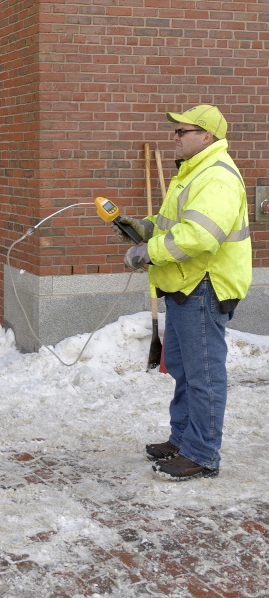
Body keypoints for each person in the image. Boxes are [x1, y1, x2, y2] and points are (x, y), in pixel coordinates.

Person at [121, 105, 252, 480]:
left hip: (203, 287)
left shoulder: (217, 178)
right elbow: (175, 225)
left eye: (182, 132)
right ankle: (183, 439)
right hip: (183, 286)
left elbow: (199, 236)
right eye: (175, 131)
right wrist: (144, 229)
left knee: (204, 375)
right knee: (183, 370)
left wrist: (147, 252)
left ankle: (202, 453)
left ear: (206, 136)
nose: (174, 137)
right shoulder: (191, 174)